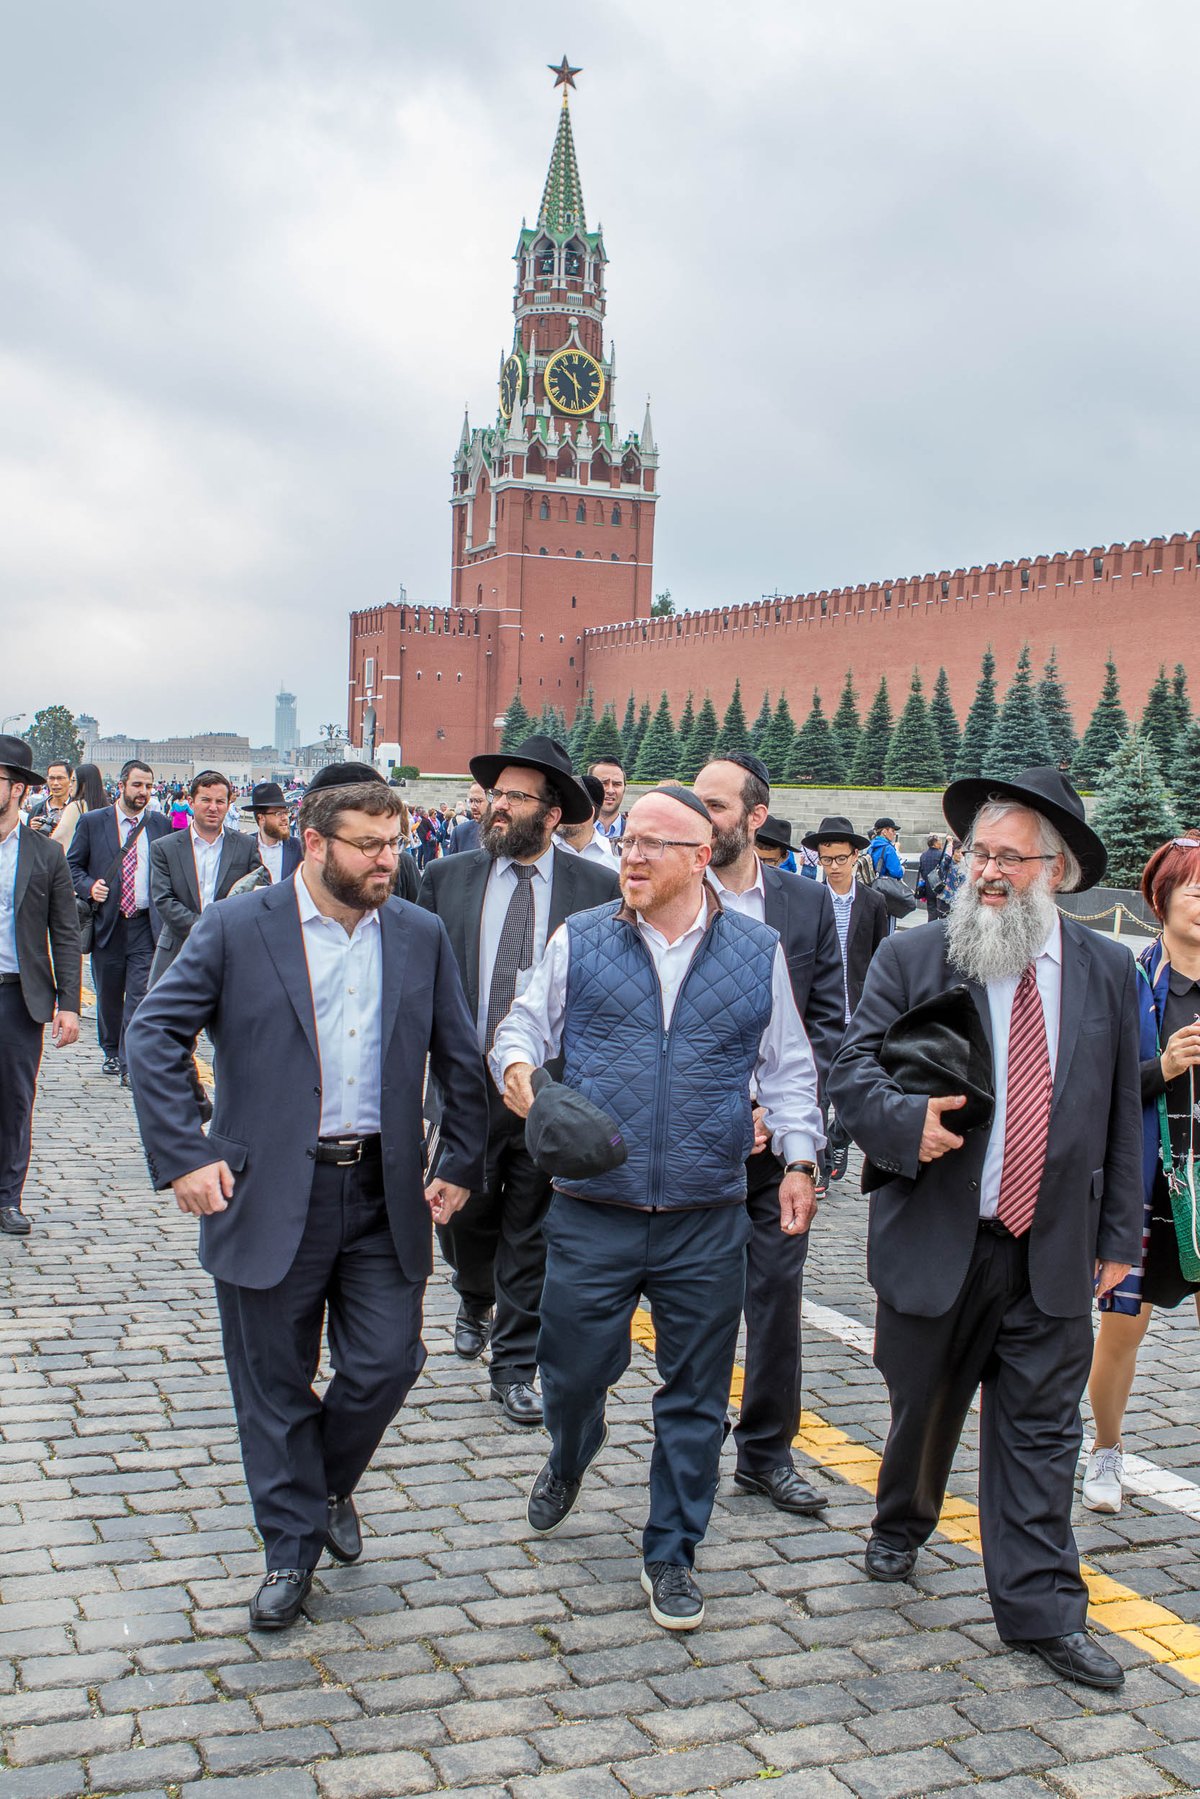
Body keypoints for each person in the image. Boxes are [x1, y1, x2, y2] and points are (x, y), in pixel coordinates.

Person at [126, 778, 488, 1630]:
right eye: (367, 844)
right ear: (315, 843)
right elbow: (153, 1032)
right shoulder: (237, 927)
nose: (385, 861)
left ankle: (323, 1485)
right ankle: (290, 1547)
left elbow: (459, 1054)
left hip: (381, 1190)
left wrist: (462, 1157)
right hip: (264, 1190)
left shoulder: (419, 931)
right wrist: (186, 1154)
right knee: (274, 1381)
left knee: (387, 1361)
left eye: (393, 843)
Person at [829, 766, 1142, 1692]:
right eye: (979, 853)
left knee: (1041, 1434)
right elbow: (852, 1071)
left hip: (1051, 1247)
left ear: (1058, 870)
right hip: (940, 1235)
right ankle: (902, 1518)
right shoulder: (917, 957)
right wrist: (901, 1124)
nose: (989, 872)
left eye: (1010, 857)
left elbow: (1125, 1112)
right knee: (922, 1410)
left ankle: (1042, 1607)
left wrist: (1119, 1237)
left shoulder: (1107, 970)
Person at [493, 786, 824, 1629]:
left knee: (698, 1394)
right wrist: (525, 1082)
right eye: (626, 839)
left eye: (651, 844)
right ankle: (572, 1448)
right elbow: (521, 1028)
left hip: (706, 1214)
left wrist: (800, 1157)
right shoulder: (584, 937)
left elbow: (786, 1067)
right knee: (569, 1372)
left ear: (699, 857)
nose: (629, 855)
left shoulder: (757, 950)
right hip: (593, 1205)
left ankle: (672, 1549)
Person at [417, 735, 619, 1422]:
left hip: (550, 1090)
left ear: (552, 813)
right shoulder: (447, 878)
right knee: (464, 1216)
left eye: (515, 797)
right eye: (496, 794)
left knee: (532, 1227)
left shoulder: (599, 889)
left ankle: (513, 1366)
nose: (498, 806)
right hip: (465, 1083)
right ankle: (474, 1293)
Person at [693, 755, 844, 1514]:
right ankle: (689, 1444)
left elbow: (824, 1023)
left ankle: (766, 1453)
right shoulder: (674, 892)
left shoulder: (806, 903)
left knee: (777, 1300)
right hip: (693, 1143)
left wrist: (792, 1122)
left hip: (778, 1146)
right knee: (697, 1301)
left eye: (716, 804)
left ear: (756, 816)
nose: (702, 815)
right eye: (696, 801)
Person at [1083, 836, 1200, 1513]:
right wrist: (1167, 1066)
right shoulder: (1130, 979)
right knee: (1122, 1330)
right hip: (1150, 1190)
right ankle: (1105, 1449)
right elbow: (1101, 1084)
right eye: (1195, 891)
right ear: (1161, 899)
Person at [0, 737, 81, 1237]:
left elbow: (65, 933)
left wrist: (68, 1005)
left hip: (16, 995)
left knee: (13, 1100)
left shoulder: (45, 854)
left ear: (16, 790)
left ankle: (8, 1197)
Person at [67, 758, 171, 1081]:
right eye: (138, 785)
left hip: (144, 924)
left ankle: (130, 1062)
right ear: (122, 784)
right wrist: (89, 886)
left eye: (149, 786)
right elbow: (72, 867)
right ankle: (111, 1049)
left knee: (138, 996)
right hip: (108, 924)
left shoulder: (160, 825)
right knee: (109, 996)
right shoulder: (93, 822)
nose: (144, 792)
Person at [801, 816, 890, 1183]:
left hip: (859, 1011)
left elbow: (879, 959)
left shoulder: (873, 902)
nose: (833, 866)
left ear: (856, 857)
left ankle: (839, 1137)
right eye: (826, 859)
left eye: (840, 858)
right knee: (816, 1092)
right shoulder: (807, 897)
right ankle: (817, 1166)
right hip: (818, 1011)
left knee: (861, 1092)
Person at [148, 771, 262, 986]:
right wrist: (207, 929)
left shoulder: (246, 846)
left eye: (220, 801)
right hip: (178, 951)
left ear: (229, 804)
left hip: (231, 954)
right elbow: (163, 900)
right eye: (206, 800)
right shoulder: (165, 847)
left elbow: (257, 894)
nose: (213, 807)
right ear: (191, 801)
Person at [305, 766, 420, 901]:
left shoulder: (420, 921)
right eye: (370, 845)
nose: (389, 862)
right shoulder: (275, 918)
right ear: (316, 844)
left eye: (394, 842)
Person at [556, 774, 617, 866]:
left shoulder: (613, 856)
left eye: (570, 806)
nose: (560, 812)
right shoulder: (541, 851)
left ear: (590, 812)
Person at [251, 782, 303, 885]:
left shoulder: (298, 848)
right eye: (278, 813)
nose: (285, 818)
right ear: (261, 818)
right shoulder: (245, 847)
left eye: (286, 812)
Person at [51, 762, 108, 855]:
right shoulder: (108, 809)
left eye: (73, 781)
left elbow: (58, 838)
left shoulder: (75, 807)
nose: (70, 785)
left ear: (83, 784)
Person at [589, 757, 627, 851]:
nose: (610, 790)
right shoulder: (574, 834)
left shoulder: (636, 834)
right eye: (603, 783)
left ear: (624, 789)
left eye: (617, 784)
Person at [25, 761, 72, 835]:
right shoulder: (36, 811)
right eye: (51, 778)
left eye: (60, 778)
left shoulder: (78, 809)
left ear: (70, 780)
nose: (55, 783)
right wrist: (32, 831)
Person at [446, 783, 486, 855]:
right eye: (471, 801)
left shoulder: (507, 832)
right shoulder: (460, 833)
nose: (473, 807)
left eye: (478, 801)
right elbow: (453, 865)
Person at [917, 833, 945, 922]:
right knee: (942, 911)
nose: (941, 844)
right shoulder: (941, 855)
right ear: (935, 843)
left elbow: (922, 870)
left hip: (928, 887)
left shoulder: (923, 855)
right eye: (940, 842)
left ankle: (931, 928)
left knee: (931, 911)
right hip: (940, 886)